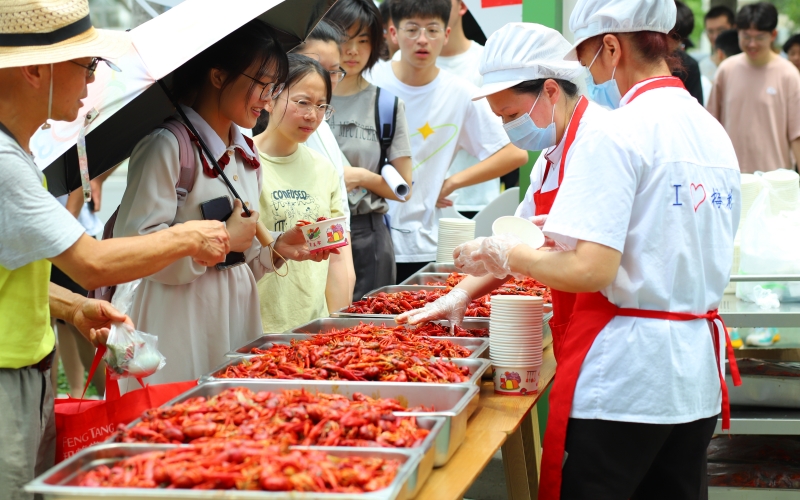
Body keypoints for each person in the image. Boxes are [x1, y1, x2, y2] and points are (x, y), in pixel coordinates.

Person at [454, 0, 741, 497]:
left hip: (625, 379)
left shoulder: (617, 131)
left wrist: (512, 255)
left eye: (586, 58)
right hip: (695, 376)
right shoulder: (712, 131)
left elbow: (591, 268)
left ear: (611, 47)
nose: (586, 74)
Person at [0, 0, 234, 497]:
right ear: (36, 70)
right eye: (86, 65)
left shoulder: (16, 153)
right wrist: (188, 235)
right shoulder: (5, 164)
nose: (91, 81)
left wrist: (74, 306)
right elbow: (91, 262)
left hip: (27, 367)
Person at [114, 21, 321, 388]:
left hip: (234, 315)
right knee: (177, 422)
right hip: (178, 320)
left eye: (274, 87)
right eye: (261, 84)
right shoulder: (167, 147)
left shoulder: (245, 154)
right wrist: (222, 237)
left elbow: (237, 262)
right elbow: (134, 251)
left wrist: (276, 249)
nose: (268, 99)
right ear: (217, 75)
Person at [398, 22, 604, 360]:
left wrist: (507, 253)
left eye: (511, 114)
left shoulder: (598, 143)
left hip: (604, 324)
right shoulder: (551, 155)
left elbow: (565, 259)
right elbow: (520, 242)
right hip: (576, 322)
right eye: (501, 118)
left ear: (550, 91)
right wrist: (460, 295)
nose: (508, 127)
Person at [369, 0, 528, 282]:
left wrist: (452, 181)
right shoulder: (371, 81)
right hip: (369, 234)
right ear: (393, 32)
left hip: (427, 242)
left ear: (446, 33)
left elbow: (515, 153)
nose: (422, 40)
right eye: (412, 29)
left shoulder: (460, 93)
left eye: (432, 30)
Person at [326, 0, 413, 300]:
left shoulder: (386, 104)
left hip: (366, 233)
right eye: (344, 39)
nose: (352, 50)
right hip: (314, 232)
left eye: (363, 40)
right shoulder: (302, 97)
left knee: (370, 332)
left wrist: (361, 176)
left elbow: (404, 188)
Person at [254, 54, 349, 331]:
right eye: (302, 102)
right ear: (269, 99)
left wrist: (339, 325)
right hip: (258, 327)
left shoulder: (324, 169)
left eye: (321, 106)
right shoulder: (243, 163)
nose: (312, 115)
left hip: (313, 324)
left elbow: (336, 256)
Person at [293, 20, 357, 301]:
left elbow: (339, 227)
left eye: (334, 72)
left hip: (323, 286)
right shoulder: (252, 146)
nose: (324, 79)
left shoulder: (323, 127)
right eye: (314, 66)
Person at [708, 3, 800, 173]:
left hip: (775, 179)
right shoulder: (726, 70)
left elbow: (796, 135)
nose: (752, 44)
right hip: (733, 177)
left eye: (759, 37)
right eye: (746, 36)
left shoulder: (789, 74)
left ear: (773, 35)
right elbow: (711, 127)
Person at [671, 1, 703, 104]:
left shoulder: (690, 65)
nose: (673, 43)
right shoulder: (646, 57)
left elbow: (697, 106)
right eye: (672, 36)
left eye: (679, 39)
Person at [698, 5, 735, 81]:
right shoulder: (702, 67)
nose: (715, 36)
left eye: (721, 30)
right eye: (710, 31)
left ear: (734, 28)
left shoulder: (748, 62)